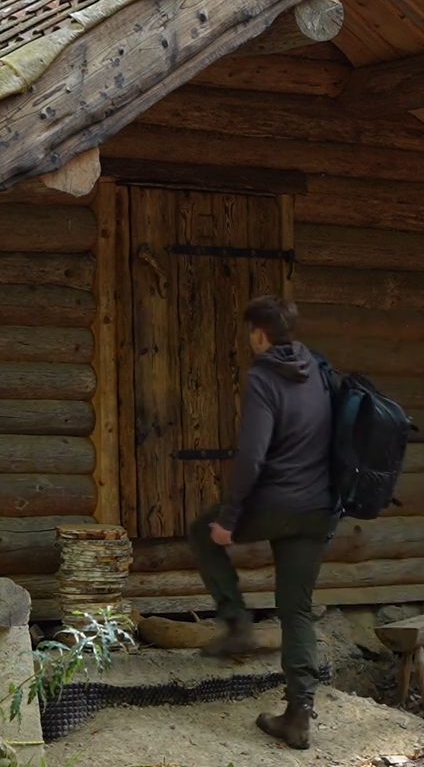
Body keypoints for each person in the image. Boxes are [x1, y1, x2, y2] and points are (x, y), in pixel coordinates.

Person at [187, 295, 336, 750]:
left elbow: (252, 456)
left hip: (275, 503)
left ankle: (237, 624)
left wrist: (229, 519)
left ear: (259, 334)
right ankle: (298, 717)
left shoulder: (263, 377)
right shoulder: (319, 370)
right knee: (296, 610)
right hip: (317, 507)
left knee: (201, 531)